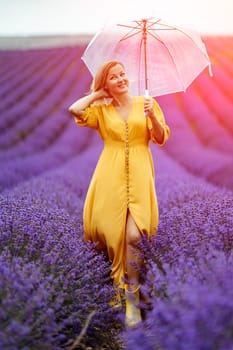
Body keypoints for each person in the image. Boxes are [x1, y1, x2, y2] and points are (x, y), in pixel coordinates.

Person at [68, 60, 170, 326]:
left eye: (123, 74)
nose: (122, 79)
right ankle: (121, 297)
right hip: (109, 178)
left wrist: (152, 117)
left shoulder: (146, 104)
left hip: (139, 174)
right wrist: (98, 94)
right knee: (115, 238)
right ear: (106, 84)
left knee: (135, 236)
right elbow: (75, 109)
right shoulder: (101, 110)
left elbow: (160, 138)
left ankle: (133, 300)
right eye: (114, 77)